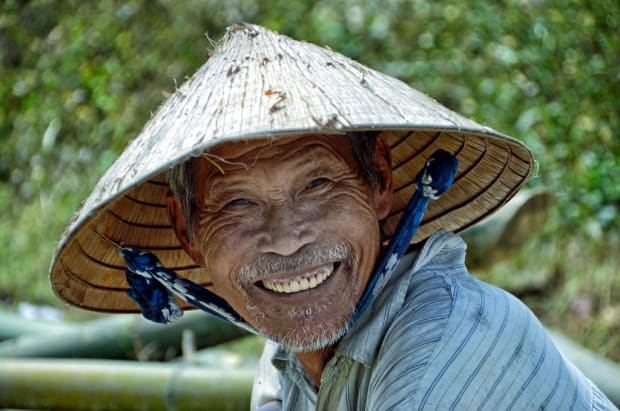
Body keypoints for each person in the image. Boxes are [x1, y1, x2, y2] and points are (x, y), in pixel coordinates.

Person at [50, 24, 616, 410]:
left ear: (380, 182)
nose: (286, 240)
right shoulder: (286, 357)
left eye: (318, 185)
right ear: (186, 230)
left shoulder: (449, 339)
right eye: (239, 203)